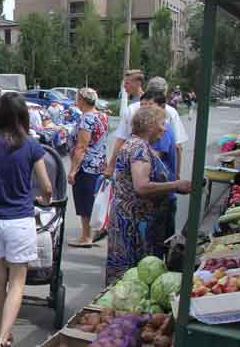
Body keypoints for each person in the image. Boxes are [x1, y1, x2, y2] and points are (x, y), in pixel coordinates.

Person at [0, 92, 52, 347]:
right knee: (17, 282)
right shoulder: (31, 145)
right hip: (19, 221)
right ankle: (2, 339)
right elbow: (46, 187)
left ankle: (2, 333)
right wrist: (43, 200)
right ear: (23, 116)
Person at [105, 106, 192, 286]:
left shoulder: (138, 145)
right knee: (132, 279)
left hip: (131, 220)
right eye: (162, 123)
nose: (165, 128)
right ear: (150, 126)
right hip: (134, 225)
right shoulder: (139, 149)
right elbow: (141, 186)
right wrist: (176, 185)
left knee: (128, 278)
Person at [106, 76, 188, 181]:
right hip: (156, 178)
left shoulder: (132, 109)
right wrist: (177, 174)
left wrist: (112, 165)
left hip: (141, 176)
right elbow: (177, 146)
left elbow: (121, 139)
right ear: (165, 93)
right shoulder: (171, 112)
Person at [67, 88, 109, 248]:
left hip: (86, 165)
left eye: (77, 99)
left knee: (85, 201)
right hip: (99, 163)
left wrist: (73, 170)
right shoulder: (102, 116)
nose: (75, 101)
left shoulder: (87, 119)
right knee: (94, 199)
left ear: (82, 101)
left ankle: (86, 236)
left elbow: (82, 147)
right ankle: (97, 230)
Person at [140, 89, 179, 241]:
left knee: (160, 240)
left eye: (149, 105)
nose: (144, 109)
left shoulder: (162, 130)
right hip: (157, 193)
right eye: (142, 105)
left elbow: (154, 158)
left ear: (161, 107)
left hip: (162, 194)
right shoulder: (151, 131)